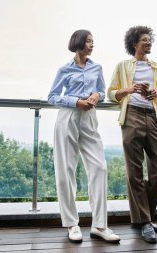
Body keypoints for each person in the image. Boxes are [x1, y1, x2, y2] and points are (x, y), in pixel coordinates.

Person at [47, 29, 120, 244]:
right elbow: (52, 97)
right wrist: (76, 102)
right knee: (65, 171)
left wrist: (97, 95)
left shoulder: (97, 67)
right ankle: (72, 223)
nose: (92, 44)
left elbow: (102, 91)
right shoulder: (64, 69)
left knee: (100, 167)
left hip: (90, 118)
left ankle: (100, 225)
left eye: (92, 41)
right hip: (68, 118)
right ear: (78, 43)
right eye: (89, 41)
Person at [108, 26, 157, 244]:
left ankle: (144, 218)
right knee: (134, 171)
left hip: (153, 116)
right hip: (132, 115)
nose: (149, 43)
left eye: (150, 40)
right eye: (145, 40)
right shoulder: (122, 66)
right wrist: (130, 89)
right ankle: (145, 222)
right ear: (135, 43)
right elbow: (112, 93)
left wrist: (156, 94)